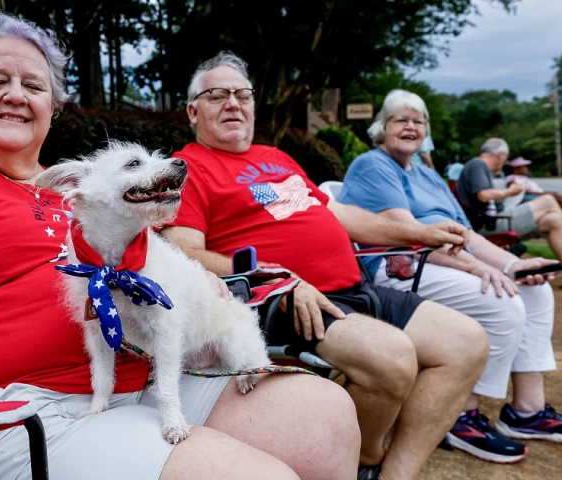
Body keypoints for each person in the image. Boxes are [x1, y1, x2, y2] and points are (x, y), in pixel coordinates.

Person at [0, 13, 362, 480]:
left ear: (52, 106)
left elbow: (160, 265)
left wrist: (199, 283)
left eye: (34, 85)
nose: (16, 94)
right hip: (17, 412)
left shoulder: (88, 192)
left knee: (323, 415)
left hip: (145, 378)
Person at [160, 51, 490, 480]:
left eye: (243, 94)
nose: (233, 104)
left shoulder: (276, 157)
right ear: (192, 111)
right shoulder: (187, 169)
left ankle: (395, 474)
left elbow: (341, 214)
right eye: (217, 95)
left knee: (467, 343)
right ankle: (365, 459)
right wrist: (277, 278)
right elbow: (183, 252)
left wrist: (421, 233)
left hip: (354, 286)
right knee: (392, 359)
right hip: (281, 300)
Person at [339, 89, 562, 464]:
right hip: (400, 266)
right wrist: (479, 268)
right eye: (401, 119)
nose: (410, 127)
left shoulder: (428, 174)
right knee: (502, 299)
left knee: (535, 293)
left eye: (418, 121)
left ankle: (527, 411)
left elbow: (468, 235)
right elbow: (411, 236)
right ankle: (459, 415)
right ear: (382, 127)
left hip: (444, 261)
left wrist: (512, 265)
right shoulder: (372, 165)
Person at [457, 138, 562, 258]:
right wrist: (510, 192)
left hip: (492, 221)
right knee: (548, 200)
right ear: (500, 155)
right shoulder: (477, 164)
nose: (505, 161)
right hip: (489, 224)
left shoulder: (479, 167)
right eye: (505, 158)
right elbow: (483, 195)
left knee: (553, 220)